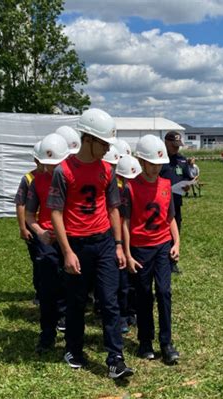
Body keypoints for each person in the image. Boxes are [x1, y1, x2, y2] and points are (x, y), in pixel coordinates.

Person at [47, 108, 134, 380]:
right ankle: (74, 349)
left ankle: (115, 359)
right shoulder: (63, 171)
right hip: (77, 246)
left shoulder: (107, 171)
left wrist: (119, 244)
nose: (107, 149)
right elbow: (56, 213)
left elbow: (113, 209)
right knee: (76, 302)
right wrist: (67, 252)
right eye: (103, 143)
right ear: (89, 139)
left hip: (105, 243)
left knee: (110, 301)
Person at [122, 135, 180, 364]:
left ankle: (166, 343)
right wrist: (126, 253)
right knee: (144, 296)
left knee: (164, 293)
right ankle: (145, 341)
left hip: (162, 247)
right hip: (140, 249)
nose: (156, 168)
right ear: (141, 161)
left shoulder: (166, 185)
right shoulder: (130, 188)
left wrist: (177, 243)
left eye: (159, 164)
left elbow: (171, 218)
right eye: (152, 163)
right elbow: (125, 223)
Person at [25, 133, 69, 353]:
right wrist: (40, 232)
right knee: (47, 288)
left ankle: (71, 330)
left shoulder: (73, 179)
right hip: (47, 241)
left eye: (55, 164)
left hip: (71, 239)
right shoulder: (37, 182)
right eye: (46, 164)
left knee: (72, 287)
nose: (51, 169)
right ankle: (47, 333)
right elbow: (30, 214)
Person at [116, 149, 142, 333]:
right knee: (122, 283)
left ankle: (133, 311)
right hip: (119, 239)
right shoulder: (115, 191)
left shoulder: (138, 191)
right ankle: (122, 315)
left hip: (137, 240)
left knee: (136, 282)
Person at [14, 141, 43, 305]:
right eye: (39, 161)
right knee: (38, 261)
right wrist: (23, 227)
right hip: (33, 225)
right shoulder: (28, 179)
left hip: (49, 225)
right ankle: (40, 292)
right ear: (35, 160)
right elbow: (20, 204)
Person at [161, 131, 189, 273]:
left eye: (178, 146)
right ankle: (161, 260)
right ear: (166, 142)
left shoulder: (182, 160)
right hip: (160, 204)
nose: (176, 148)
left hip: (176, 202)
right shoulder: (159, 160)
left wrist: (188, 185)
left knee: (175, 230)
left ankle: (172, 261)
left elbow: (187, 176)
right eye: (174, 145)